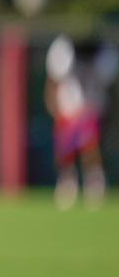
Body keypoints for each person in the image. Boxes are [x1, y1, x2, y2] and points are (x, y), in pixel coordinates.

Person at [45, 34, 117, 210]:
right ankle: (67, 182)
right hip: (69, 109)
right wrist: (54, 107)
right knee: (65, 151)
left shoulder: (104, 55)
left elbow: (110, 88)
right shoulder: (62, 52)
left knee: (91, 148)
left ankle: (94, 182)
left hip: (92, 109)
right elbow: (53, 83)